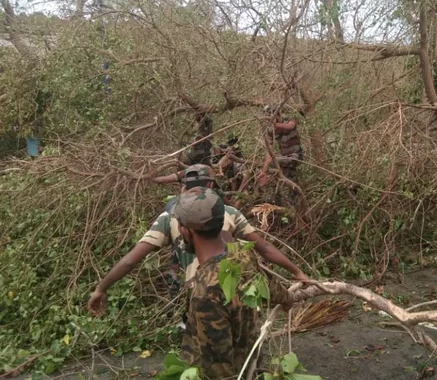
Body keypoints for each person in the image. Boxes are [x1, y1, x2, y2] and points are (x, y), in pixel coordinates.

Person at [87, 164, 309, 316]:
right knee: (246, 346)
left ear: (183, 186)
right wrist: (297, 272)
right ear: (211, 185)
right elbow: (265, 248)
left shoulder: (169, 217)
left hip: (201, 295)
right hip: (238, 290)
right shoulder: (229, 211)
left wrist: (101, 287)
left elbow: (130, 260)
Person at [174, 187, 294, 379]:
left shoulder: (206, 294)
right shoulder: (241, 253)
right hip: (250, 365)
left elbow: (218, 369)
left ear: (186, 231)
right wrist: (288, 299)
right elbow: (268, 285)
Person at [258, 106, 304, 188]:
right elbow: (269, 152)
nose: (268, 121)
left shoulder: (289, 120)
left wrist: (276, 124)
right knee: (289, 181)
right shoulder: (271, 131)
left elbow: (291, 126)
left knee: (275, 163)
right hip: (285, 158)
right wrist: (263, 172)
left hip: (296, 156)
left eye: (270, 117)